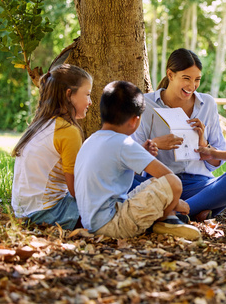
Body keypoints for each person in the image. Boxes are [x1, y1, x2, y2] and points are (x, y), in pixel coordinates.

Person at [132, 48, 226, 222]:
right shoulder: (146, 104)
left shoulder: (207, 104)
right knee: (121, 179)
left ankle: (176, 213)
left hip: (199, 184)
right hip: (161, 183)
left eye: (197, 79)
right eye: (186, 78)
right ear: (170, 74)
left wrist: (205, 146)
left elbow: (218, 160)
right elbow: (132, 155)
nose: (192, 86)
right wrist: (156, 144)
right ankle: (195, 211)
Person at [74, 81, 201, 240]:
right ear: (135, 120)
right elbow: (167, 176)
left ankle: (164, 218)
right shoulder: (123, 143)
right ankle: (166, 219)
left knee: (150, 184)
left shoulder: (91, 140)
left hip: (91, 223)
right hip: (113, 225)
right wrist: (176, 203)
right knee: (173, 183)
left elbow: (112, 171)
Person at [11, 64, 93, 230]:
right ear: (69, 94)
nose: (90, 102)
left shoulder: (41, 124)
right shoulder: (68, 131)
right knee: (107, 207)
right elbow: (77, 190)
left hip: (23, 212)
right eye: (88, 94)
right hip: (46, 214)